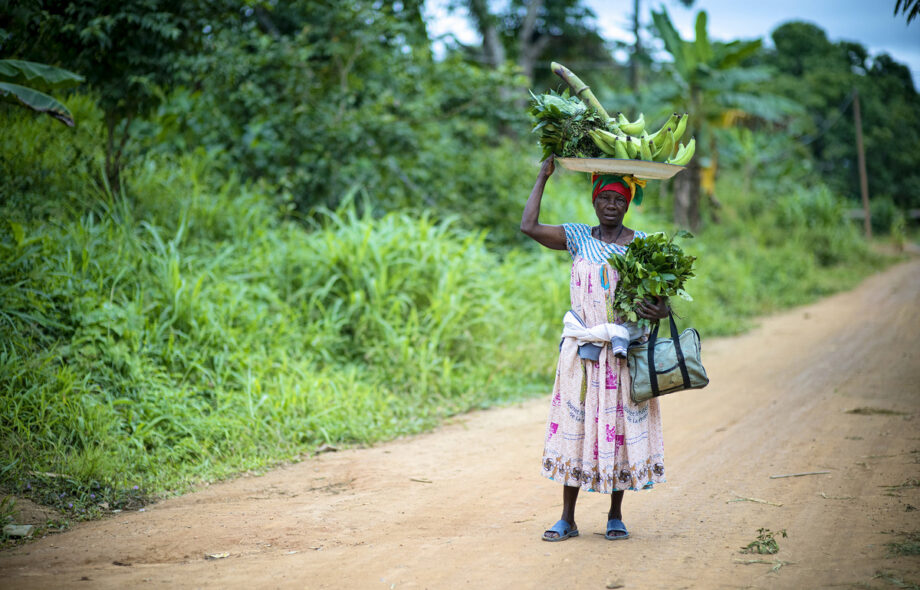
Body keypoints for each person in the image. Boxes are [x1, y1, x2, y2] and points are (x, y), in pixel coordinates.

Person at [520, 154, 670, 542]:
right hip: (581, 353)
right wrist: (543, 174)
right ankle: (567, 518)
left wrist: (660, 308)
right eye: (605, 198)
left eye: (619, 200)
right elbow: (529, 226)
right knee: (574, 426)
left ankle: (615, 515)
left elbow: (661, 301)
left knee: (617, 428)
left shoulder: (642, 247)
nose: (611, 206)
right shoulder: (576, 237)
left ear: (628, 204)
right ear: (594, 200)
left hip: (621, 354)